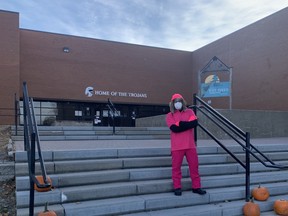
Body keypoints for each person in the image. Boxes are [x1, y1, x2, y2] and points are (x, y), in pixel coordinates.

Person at [166, 93, 206, 196]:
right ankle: (177, 187)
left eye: (179, 101)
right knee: (176, 168)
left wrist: (180, 123)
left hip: (190, 146)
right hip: (177, 147)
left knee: (194, 167)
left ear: (183, 102)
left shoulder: (190, 111)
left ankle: (196, 187)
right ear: (172, 103)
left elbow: (194, 123)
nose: (178, 103)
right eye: (176, 101)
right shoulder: (169, 115)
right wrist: (185, 124)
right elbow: (174, 128)